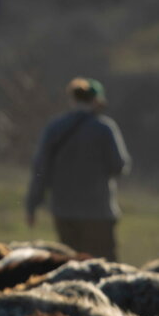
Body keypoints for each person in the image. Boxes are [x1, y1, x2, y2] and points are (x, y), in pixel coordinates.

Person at [25, 78, 130, 261]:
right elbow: (119, 166)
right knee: (104, 266)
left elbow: (40, 169)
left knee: (73, 265)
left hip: (64, 212)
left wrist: (32, 205)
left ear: (72, 99)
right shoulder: (105, 128)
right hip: (98, 212)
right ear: (96, 100)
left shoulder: (54, 128)